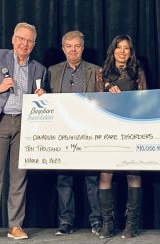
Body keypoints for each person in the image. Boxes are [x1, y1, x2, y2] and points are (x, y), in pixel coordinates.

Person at [0, 22, 47, 241]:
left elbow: (40, 99)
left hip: (25, 124)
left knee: (19, 176)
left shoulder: (39, 68)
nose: (24, 44)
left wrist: (41, 95)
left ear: (33, 45)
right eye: (21, 39)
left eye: (29, 41)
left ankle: (15, 225)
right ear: (13, 39)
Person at [48, 30, 102, 236]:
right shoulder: (52, 71)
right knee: (64, 179)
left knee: (92, 179)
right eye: (69, 46)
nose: (73, 50)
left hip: (89, 132)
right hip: (62, 134)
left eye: (77, 46)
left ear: (82, 48)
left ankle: (96, 221)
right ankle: (65, 222)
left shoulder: (96, 71)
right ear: (63, 49)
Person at [96, 35, 147, 239]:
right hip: (108, 131)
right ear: (113, 50)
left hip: (131, 130)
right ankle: (108, 223)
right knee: (105, 175)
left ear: (130, 52)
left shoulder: (137, 72)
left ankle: (131, 224)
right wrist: (107, 91)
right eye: (119, 47)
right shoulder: (102, 74)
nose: (123, 51)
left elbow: (146, 101)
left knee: (133, 175)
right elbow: (95, 103)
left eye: (126, 48)